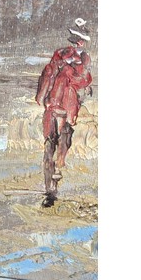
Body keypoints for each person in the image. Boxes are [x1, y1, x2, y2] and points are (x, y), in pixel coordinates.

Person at [35, 18, 93, 207]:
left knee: (59, 145)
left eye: (80, 39)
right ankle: (50, 189)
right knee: (50, 145)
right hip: (56, 105)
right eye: (77, 39)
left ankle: (53, 186)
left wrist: (68, 71)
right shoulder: (62, 56)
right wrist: (43, 95)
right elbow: (49, 73)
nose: (79, 43)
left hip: (64, 106)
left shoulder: (82, 59)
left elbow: (82, 80)